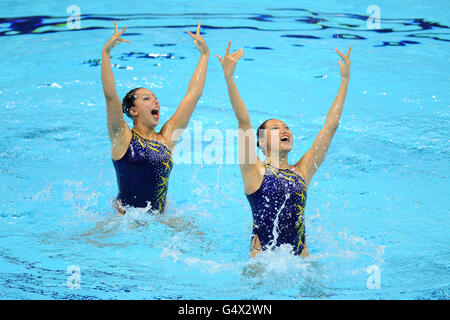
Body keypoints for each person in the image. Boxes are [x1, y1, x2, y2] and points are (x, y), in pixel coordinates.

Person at [216, 41, 352, 257]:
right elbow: (243, 121)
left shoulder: (302, 171)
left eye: (286, 127)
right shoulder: (254, 171)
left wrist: (345, 80)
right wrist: (229, 78)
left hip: (301, 263)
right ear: (260, 142)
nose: (284, 130)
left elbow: (330, 127)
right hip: (264, 266)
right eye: (275, 128)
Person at [101, 21, 209, 214]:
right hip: (125, 223)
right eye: (146, 98)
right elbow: (111, 98)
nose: (155, 101)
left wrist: (204, 55)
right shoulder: (123, 137)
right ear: (132, 111)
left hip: (160, 220)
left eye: (155, 98)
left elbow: (193, 95)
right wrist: (106, 53)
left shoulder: (166, 138)